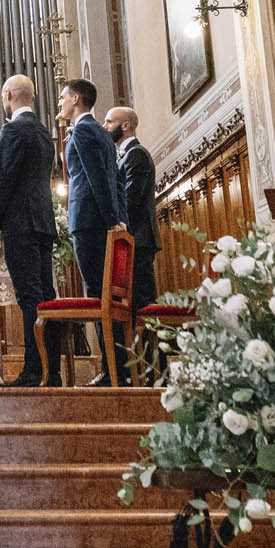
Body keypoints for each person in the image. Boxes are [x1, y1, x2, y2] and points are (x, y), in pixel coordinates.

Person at [58, 79, 126, 385]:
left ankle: (111, 371)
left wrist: (111, 218)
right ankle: (117, 367)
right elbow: (115, 180)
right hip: (102, 219)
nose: (59, 102)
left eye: (62, 97)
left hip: (89, 221)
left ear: (75, 98)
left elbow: (98, 178)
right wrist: (119, 218)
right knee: (107, 295)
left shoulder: (83, 130)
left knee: (98, 295)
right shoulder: (101, 131)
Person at [0, 75, 56, 386]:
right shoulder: (44, 133)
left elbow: (4, 177)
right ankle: (50, 370)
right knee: (46, 297)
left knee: (29, 298)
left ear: (8, 94)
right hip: (43, 221)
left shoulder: (13, 129)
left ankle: (33, 371)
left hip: (21, 223)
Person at [106, 106, 159, 383]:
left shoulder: (136, 155)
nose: (105, 126)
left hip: (139, 240)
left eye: (110, 121)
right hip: (133, 241)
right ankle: (137, 370)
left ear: (125, 125)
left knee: (144, 305)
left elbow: (131, 198)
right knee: (134, 307)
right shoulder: (123, 156)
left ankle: (154, 370)